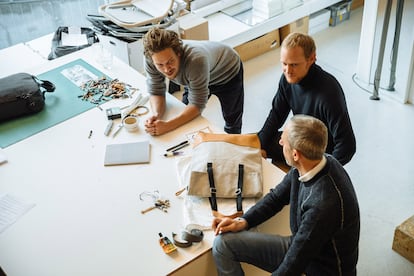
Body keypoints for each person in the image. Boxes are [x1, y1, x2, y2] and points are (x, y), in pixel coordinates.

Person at [212, 114, 360, 276]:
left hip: (320, 269)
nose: (280, 142)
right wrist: (244, 221)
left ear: (296, 154)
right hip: (304, 247)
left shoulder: (323, 205)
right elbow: (277, 197)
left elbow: (292, 266)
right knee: (222, 245)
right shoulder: (313, 163)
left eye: (283, 140)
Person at [258, 32, 356, 166]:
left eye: (294, 65)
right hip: (299, 141)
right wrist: (260, 146)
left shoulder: (329, 92)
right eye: (284, 64)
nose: (288, 70)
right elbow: (276, 115)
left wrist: (321, 172)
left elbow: (347, 146)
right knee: (255, 141)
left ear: (311, 59)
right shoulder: (287, 79)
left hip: (319, 154)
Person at [142, 27, 244, 135]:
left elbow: (197, 105)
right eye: (160, 65)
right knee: (184, 112)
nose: (166, 69)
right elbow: (156, 91)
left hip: (227, 71)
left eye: (170, 61)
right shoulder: (151, 59)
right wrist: (157, 115)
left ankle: (234, 142)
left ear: (178, 53)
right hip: (196, 75)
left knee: (232, 119)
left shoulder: (196, 60)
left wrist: (167, 126)